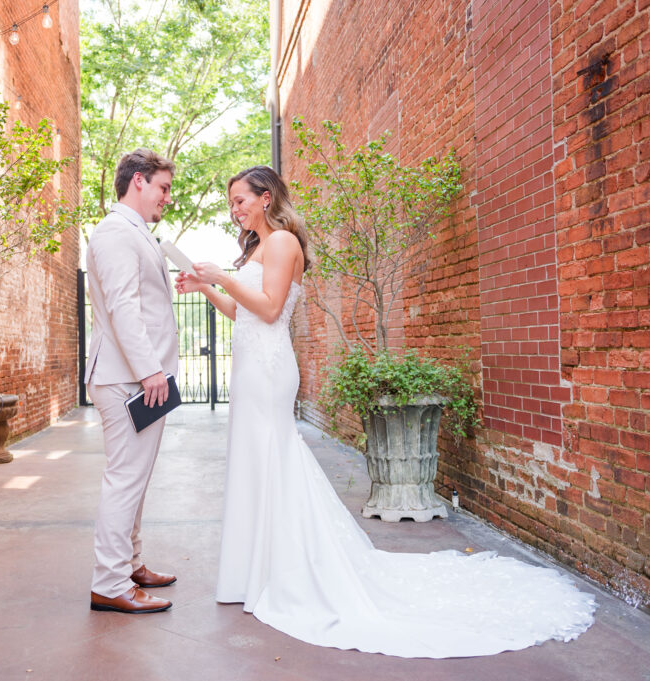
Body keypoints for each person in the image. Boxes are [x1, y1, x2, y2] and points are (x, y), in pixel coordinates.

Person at [176, 165, 596, 657]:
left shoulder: (284, 243)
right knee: (253, 463)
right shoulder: (256, 248)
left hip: (269, 370)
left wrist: (220, 275)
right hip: (250, 368)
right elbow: (243, 311)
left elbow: (270, 310)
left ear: (266, 198)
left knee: (272, 458)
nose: (235, 210)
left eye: (240, 200)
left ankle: (284, 570)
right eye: (231, 204)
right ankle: (255, 570)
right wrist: (206, 289)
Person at [85, 148, 180, 614]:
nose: (167, 197)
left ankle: (130, 564)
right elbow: (123, 308)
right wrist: (150, 371)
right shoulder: (115, 232)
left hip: (139, 378)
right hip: (128, 378)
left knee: (136, 480)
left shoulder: (137, 233)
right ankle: (109, 582)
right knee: (125, 479)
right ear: (138, 181)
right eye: (163, 187)